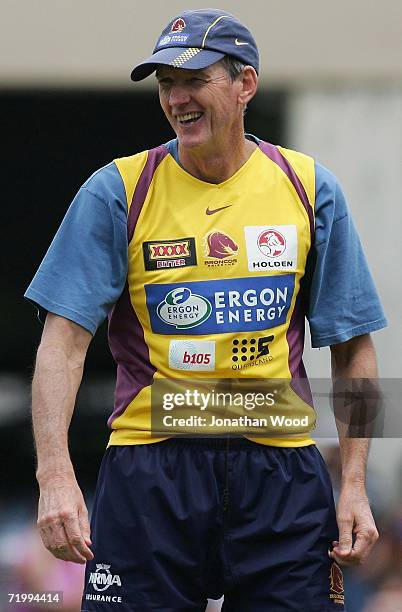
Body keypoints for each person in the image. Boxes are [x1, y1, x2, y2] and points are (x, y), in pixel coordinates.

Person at [25, 8, 387, 611]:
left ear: (245, 84)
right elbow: (62, 341)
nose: (177, 98)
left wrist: (354, 484)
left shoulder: (309, 187)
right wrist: (54, 475)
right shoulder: (117, 189)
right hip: (152, 471)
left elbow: (353, 346)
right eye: (166, 84)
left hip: (281, 475)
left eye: (193, 80)